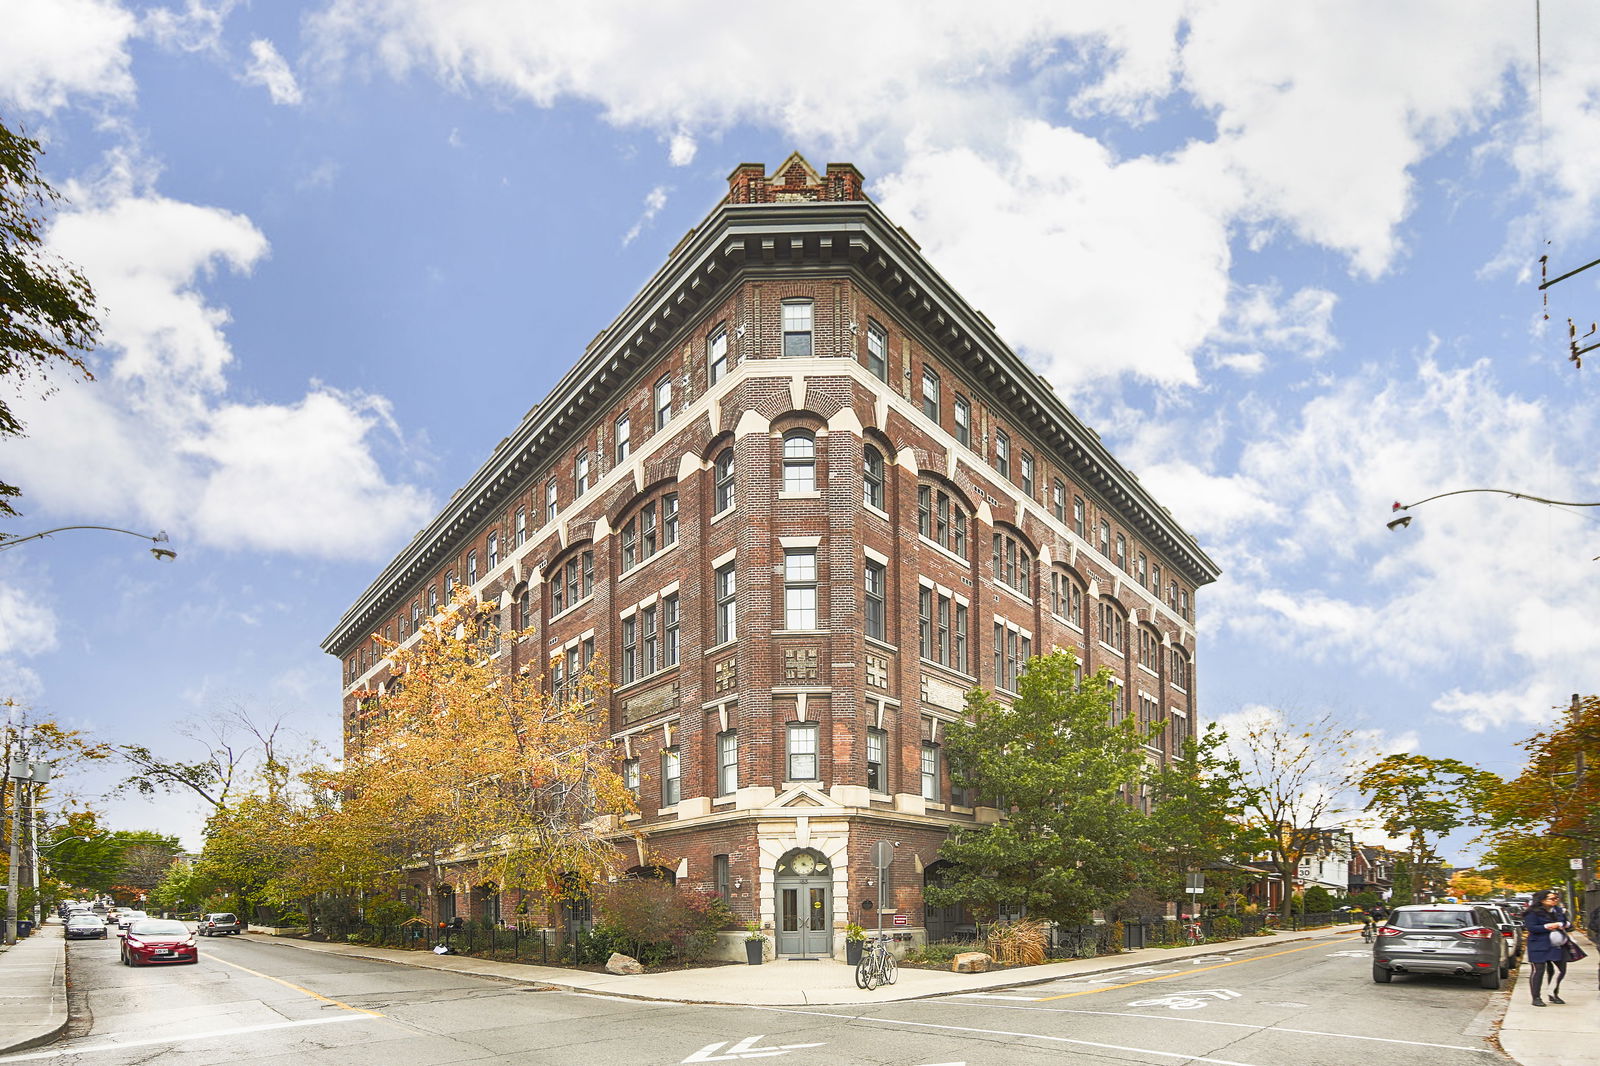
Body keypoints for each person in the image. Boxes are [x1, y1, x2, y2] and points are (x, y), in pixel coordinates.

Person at [1523, 888, 1574, 1006]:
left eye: (1556, 898)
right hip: (1539, 944)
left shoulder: (1558, 910)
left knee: (1560, 970)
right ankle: (1536, 997)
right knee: (1538, 970)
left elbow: (1568, 924)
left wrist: (1564, 925)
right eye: (1552, 898)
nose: (1555, 900)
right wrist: (1547, 926)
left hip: (1557, 945)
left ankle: (1553, 993)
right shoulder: (1532, 912)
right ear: (1542, 900)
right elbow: (1532, 928)